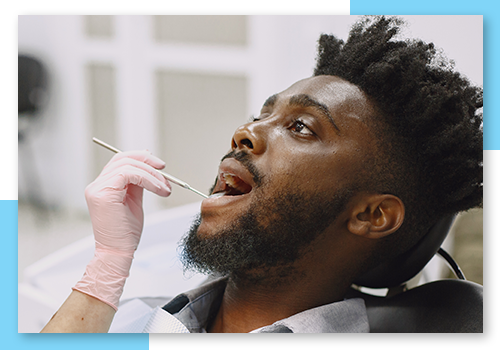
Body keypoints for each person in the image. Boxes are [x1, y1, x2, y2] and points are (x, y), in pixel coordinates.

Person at [41, 16, 483, 333]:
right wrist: (107, 266)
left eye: (301, 127)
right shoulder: (126, 319)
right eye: (261, 114)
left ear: (372, 215)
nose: (245, 132)